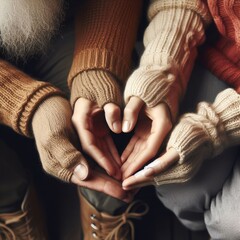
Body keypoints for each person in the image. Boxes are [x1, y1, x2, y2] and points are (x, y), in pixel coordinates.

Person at [0, 1, 146, 239]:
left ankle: (107, 212)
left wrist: (96, 69)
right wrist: (28, 103)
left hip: (68, 22)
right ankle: (11, 212)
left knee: (107, 116)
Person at [121, 0, 240, 239]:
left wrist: (213, 127)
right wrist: (163, 70)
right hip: (225, 55)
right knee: (177, 190)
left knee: (231, 223)